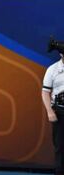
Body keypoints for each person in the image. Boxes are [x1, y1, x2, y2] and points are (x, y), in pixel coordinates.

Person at [42, 42, 64, 175]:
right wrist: (49, 111)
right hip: (60, 111)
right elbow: (45, 92)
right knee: (60, 145)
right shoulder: (52, 69)